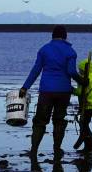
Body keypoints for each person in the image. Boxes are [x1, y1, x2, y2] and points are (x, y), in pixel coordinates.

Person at [19, 25, 83, 157]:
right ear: (65, 36)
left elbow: (36, 70)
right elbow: (71, 71)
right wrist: (82, 81)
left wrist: (25, 87)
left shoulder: (44, 50)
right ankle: (57, 149)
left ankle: (34, 150)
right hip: (64, 91)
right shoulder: (70, 51)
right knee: (59, 120)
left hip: (46, 91)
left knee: (40, 121)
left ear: (52, 36)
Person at [71, 55, 92, 152]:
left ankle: (89, 146)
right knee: (85, 124)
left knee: (84, 124)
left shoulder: (85, 79)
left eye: (80, 70)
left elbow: (80, 92)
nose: (79, 72)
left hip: (87, 104)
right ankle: (89, 145)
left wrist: (71, 89)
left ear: (83, 69)